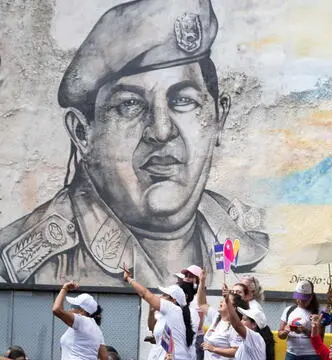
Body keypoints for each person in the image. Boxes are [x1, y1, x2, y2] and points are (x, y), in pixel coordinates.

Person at [0, 0, 269, 286]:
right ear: (82, 133)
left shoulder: (249, 239)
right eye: (130, 104)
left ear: (219, 121)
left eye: (183, 101)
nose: (162, 131)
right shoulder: (32, 266)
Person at [122, 264, 196, 360]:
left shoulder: (174, 309)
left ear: (173, 300)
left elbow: (145, 294)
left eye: (164, 295)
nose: (160, 297)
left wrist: (128, 279)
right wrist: (151, 310)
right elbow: (152, 328)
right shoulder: (166, 314)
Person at [52, 281, 108, 360]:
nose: (70, 308)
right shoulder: (97, 330)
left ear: (82, 311)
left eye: (73, 306)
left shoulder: (82, 321)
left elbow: (56, 310)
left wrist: (65, 288)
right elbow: (104, 357)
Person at [223, 283, 275, 360]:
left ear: (254, 324)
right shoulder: (251, 339)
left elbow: (237, 325)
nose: (241, 322)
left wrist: (227, 300)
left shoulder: (255, 337)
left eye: (244, 319)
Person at [278, 280, 321, 360]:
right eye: (298, 298)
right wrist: (285, 331)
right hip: (291, 353)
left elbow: (320, 338)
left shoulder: (317, 312)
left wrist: (304, 330)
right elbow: (280, 334)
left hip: (311, 354)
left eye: (304, 299)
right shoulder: (289, 310)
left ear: (311, 297)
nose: (300, 301)